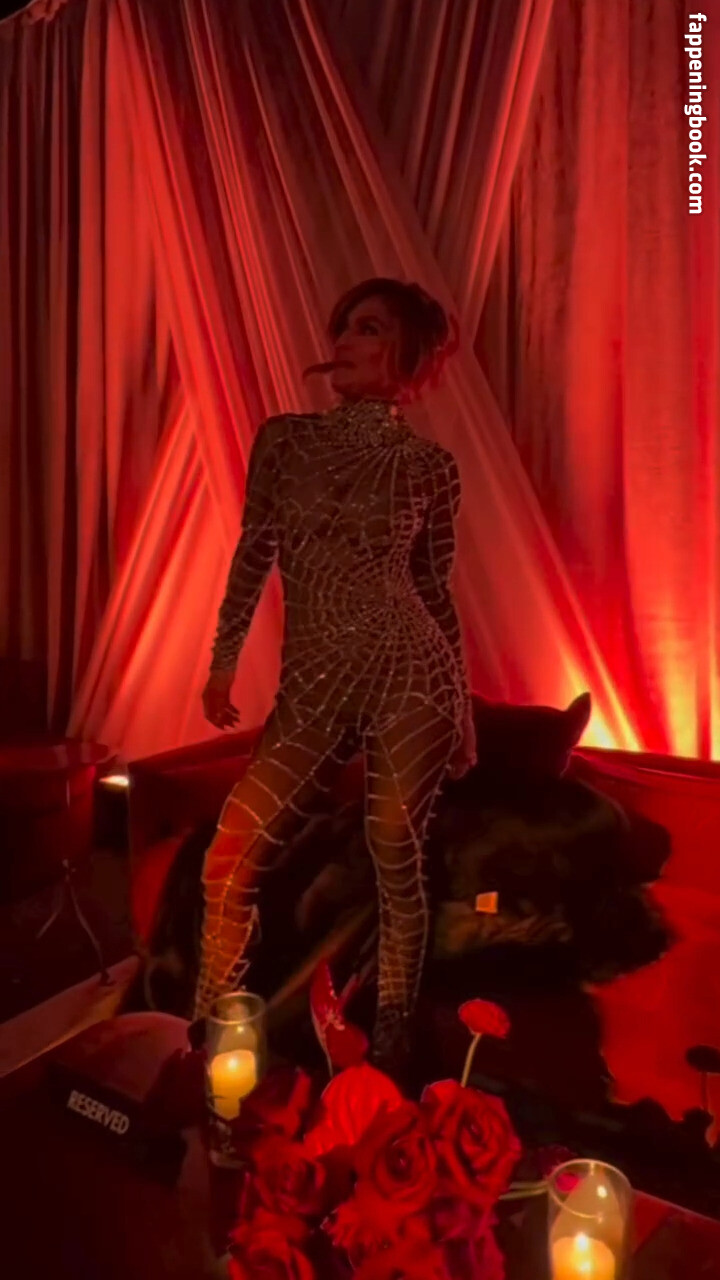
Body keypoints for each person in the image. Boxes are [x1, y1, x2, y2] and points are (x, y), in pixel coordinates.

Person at [196, 277, 476, 1075]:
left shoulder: (431, 468)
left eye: (369, 329)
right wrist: (222, 660)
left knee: (395, 851)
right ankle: (209, 1035)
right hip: (315, 684)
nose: (344, 341)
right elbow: (254, 550)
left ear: (408, 355)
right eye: (344, 326)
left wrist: (463, 710)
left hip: (413, 674)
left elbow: (432, 591)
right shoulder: (284, 441)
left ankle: (387, 1050)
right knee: (229, 858)